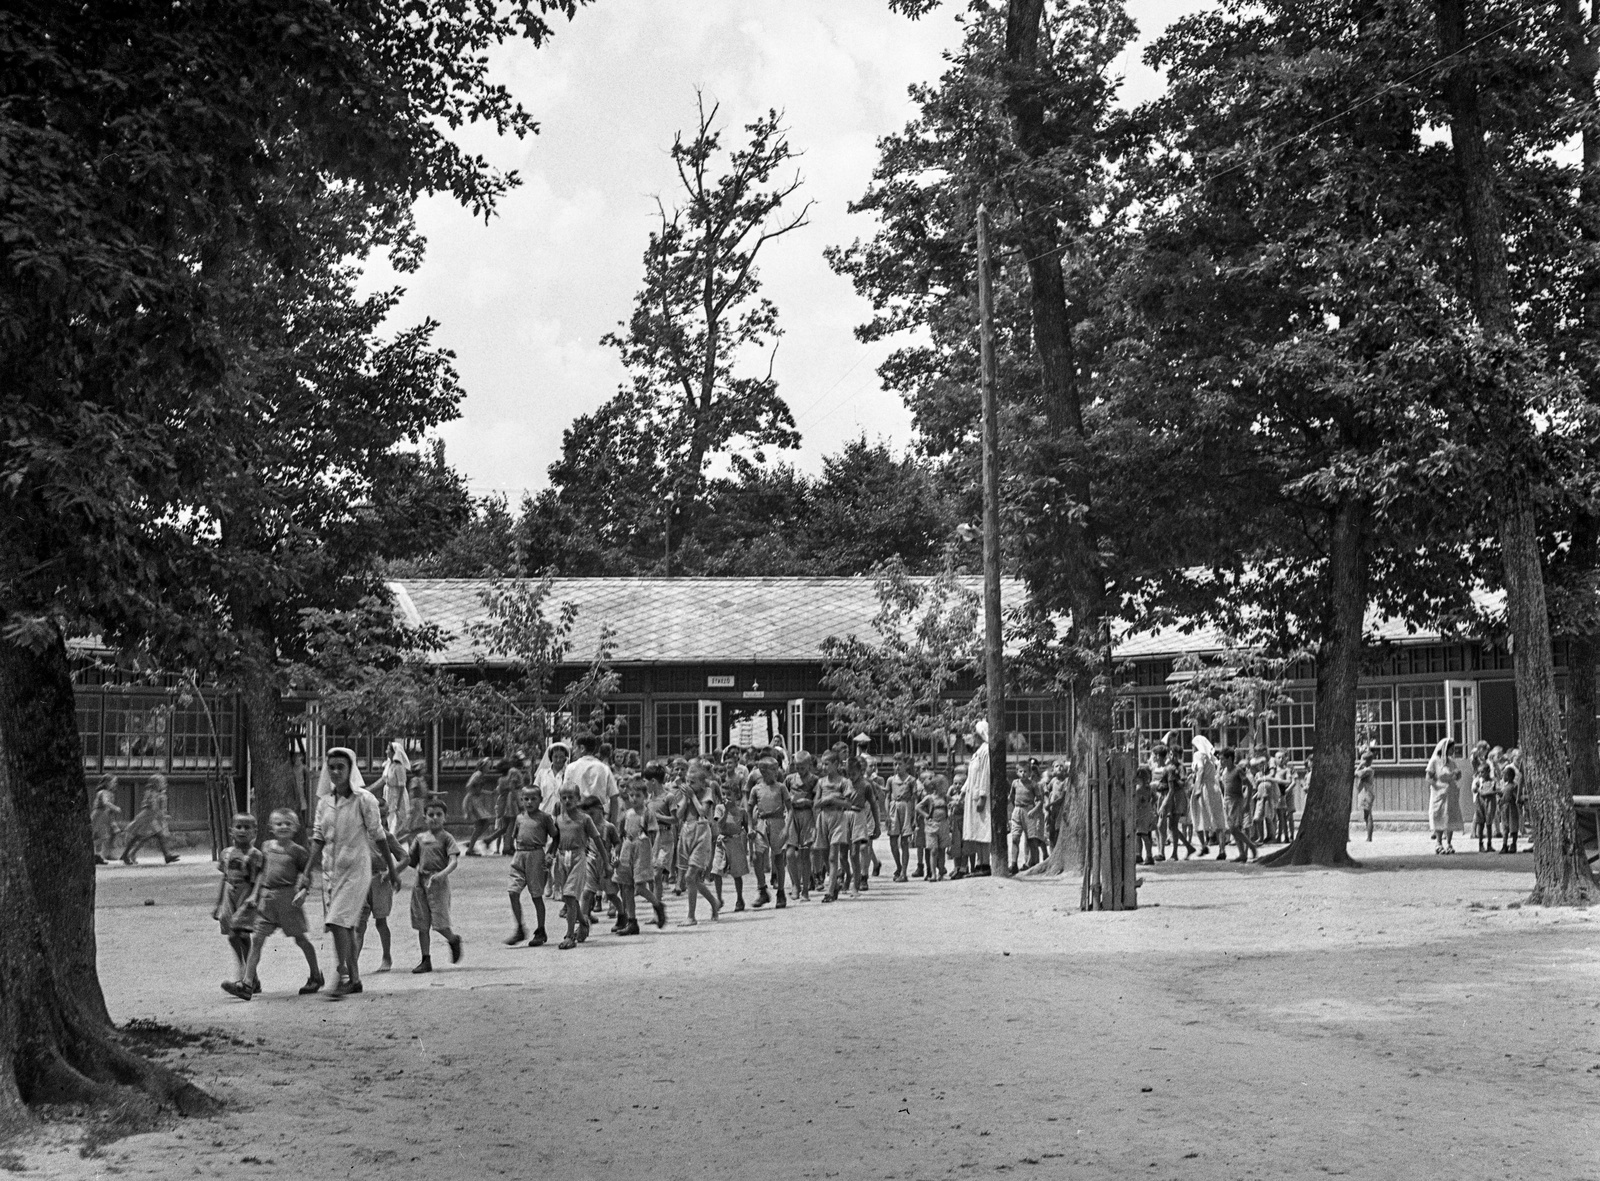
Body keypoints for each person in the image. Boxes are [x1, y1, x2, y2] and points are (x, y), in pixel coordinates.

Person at [302, 747, 400, 996]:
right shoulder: (324, 802)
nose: (336, 772)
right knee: (345, 925)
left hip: (357, 870)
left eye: (341, 767)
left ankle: (341, 976)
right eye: (331, 767)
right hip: (331, 871)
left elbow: (379, 836)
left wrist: (392, 870)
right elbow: (318, 837)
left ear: (350, 770)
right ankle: (354, 979)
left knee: (337, 921)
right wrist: (307, 871)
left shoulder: (364, 800)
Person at [225, 808, 322, 1000]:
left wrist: (303, 892)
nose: (283, 827)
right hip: (267, 900)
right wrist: (255, 895)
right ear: (271, 827)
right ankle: (247, 983)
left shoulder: (298, 851)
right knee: (257, 940)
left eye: (288, 824)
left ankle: (316, 975)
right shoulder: (267, 847)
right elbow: (262, 872)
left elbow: (306, 875)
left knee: (301, 939)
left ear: (296, 827)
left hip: (288, 901)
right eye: (279, 824)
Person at [409, 799, 464, 972]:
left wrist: (442, 874)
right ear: (424, 817)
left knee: (440, 923)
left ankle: (453, 939)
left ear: (445, 817)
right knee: (422, 923)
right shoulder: (419, 838)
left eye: (439, 814)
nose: (434, 818)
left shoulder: (447, 838)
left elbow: (453, 861)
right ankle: (426, 959)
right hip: (421, 883)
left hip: (438, 883)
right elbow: (411, 860)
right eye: (431, 815)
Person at [214, 813, 265, 996]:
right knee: (234, 935)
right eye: (239, 827)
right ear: (231, 831)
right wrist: (218, 904)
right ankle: (252, 976)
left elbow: (259, 878)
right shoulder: (226, 853)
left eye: (247, 827)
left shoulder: (255, 855)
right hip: (229, 895)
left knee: (239, 933)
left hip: (246, 895)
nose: (242, 831)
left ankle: (245, 973)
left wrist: (254, 896)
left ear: (254, 832)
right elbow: (224, 878)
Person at [356, 801, 407, 973]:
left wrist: (393, 872)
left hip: (380, 881)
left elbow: (405, 858)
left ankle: (386, 956)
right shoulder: (358, 834)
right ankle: (353, 964)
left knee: (381, 922)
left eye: (384, 815)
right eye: (376, 815)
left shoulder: (386, 836)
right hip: (360, 881)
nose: (380, 819)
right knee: (359, 925)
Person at [506, 786, 559, 946]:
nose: (529, 802)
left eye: (533, 799)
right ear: (521, 800)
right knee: (513, 892)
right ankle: (520, 928)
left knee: (536, 895)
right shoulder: (519, 818)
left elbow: (556, 836)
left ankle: (541, 930)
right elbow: (516, 836)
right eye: (526, 799)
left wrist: (550, 853)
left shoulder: (544, 818)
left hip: (536, 855)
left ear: (540, 800)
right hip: (519, 855)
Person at [551, 785, 602, 947]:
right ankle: (583, 921)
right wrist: (549, 854)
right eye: (564, 797)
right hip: (562, 858)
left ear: (578, 799)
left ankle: (569, 935)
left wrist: (606, 862)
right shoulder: (558, 820)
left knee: (570, 896)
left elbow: (597, 840)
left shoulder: (584, 819)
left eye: (571, 797)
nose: (567, 801)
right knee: (567, 897)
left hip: (578, 857)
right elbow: (556, 840)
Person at [613, 782, 665, 934]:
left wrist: (654, 853)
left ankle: (657, 905)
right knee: (626, 886)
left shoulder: (647, 814)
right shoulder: (627, 814)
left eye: (638, 796)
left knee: (640, 886)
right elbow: (620, 835)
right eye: (632, 795)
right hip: (627, 848)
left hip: (642, 848)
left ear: (645, 797)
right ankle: (632, 921)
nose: (634, 799)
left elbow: (654, 834)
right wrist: (616, 853)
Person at [675, 762, 723, 925]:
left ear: (702, 783)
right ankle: (714, 902)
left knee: (690, 876)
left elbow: (703, 812)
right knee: (693, 879)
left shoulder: (707, 792)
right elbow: (679, 815)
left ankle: (691, 916)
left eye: (693, 782)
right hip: (687, 831)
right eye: (687, 782)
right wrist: (685, 798)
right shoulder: (685, 795)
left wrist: (693, 797)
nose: (689, 785)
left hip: (701, 833)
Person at [747, 758, 788, 908]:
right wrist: (750, 827)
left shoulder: (781, 787)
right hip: (761, 823)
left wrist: (787, 828)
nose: (777, 772)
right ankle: (762, 889)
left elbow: (790, 808)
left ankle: (781, 892)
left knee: (778, 857)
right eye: (773, 769)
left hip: (777, 822)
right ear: (763, 772)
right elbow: (749, 809)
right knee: (757, 856)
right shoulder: (756, 789)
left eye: (777, 768)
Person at [122, 773, 179, 865]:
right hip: (148, 817)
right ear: (156, 784)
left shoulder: (159, 793)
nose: (165, 784)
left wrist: (161, 814)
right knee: (140, 836)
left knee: (155, 836)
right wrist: (161, 814)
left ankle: (167, 855)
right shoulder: (151, 793)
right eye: (162, 782)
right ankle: (126, 854)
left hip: (153, 818)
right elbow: (152, 806)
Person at [784, 751, 819, 900]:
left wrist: (808, 802)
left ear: (809, 765)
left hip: (807, 816)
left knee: (805, 854)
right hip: (792, 816)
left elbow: (817, 800)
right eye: (797, 767)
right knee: (790, 853)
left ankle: (805, 889)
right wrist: (790, 801)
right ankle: (795, 884)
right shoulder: (790, 779)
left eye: (803, 767)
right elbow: (784, 797)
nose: (800, 770)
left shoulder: (814, 780)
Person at [963, 721, 994, 876]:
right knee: (976, 830)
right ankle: (979, 863)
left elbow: (984, 775)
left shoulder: (986, 751)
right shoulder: (977, 753)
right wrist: (962, 791)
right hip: (972, 796)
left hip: (980, 797)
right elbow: (971, 776)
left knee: (983, 830)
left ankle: (985, 864)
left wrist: (982, 796)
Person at [1219, 748, 1258, 863]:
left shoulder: (1237, 770)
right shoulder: (1224, 772)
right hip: (1227, 801)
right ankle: (1242, 854)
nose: (1221, 762)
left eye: (1223, 759)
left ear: (1230, 759)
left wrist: (1247, 802)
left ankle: (1251, 845)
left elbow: (1249, 785)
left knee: (1234, 828)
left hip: (1236, 801)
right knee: (1233, 829)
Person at [1008, 758, 1046, 874]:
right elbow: (1011, 797)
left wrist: (1034, 810)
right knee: (1015, 838)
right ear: (1017, 772)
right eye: (1020, 771)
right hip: (1017, 810)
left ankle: (1033, 863)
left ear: (1029, 773)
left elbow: (1040, 800)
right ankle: (1013, 864)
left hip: (1029, 811)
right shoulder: (1015, 783)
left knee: (1031, 839)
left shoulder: (1033, 785)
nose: (1023, 774)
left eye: (1025, 771)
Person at [885, 754, 918, 882]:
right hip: (894, 808)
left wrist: (914, 817)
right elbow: (887, 797)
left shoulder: (911, 780)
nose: (897, 767)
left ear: (906, 765)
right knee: (893, 841)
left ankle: (904, 872)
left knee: (905, 842)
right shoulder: (891, 780)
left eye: (900, 764)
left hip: (906, 808)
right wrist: (887, 815)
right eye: (895, 764)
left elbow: (914, 799)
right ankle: (898, 866)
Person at [1426, 737, 1461, 855]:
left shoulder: (1452, 762)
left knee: (1450, 816)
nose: (1453, 751)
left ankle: (1449, 843)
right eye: (1451, 748)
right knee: (1439, 816)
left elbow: (1456, 776)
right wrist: (1437, 786)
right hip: (1439, 793)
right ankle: (1439, 842)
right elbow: (1428, 778)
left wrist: (1457, 775)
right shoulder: (1435, 761)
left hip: (1450, 792)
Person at [1158, 747, 1194, 860]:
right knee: (1171, 825)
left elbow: (1184, 783)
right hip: (1171, 796)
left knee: (1174, 824)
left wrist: (1175, 779)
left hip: (1178, 796)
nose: (1173, 757)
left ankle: (1175, 853)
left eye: (1175, 755)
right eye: (1171, 754)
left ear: (1179, 756)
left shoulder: (1180, 767)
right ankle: (1188, 846)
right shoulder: (1169, 767)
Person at [1190, 737, 1224, 857]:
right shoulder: (1212, 757)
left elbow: (1200, 771)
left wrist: (1197, 788)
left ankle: (1203, 845)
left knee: (1198, 815)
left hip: (1203, 786)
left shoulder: (1198, 755)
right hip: (1214, 787)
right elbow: (1217, 769)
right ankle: (1222, 849)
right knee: (1217, 816)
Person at [461, 759, 498, 855]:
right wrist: (469, 806)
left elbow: (477, 789)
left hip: (475, 800)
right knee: (482, 824)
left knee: (484, 824)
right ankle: (470, 847)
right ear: (483, 766)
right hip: (473, 801)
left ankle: (471, 844)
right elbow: (469, 786)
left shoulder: (480, 775)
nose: (489, 768)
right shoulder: (477, 775)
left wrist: (490, 793)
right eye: (487, 766)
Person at [918, 771, 950, 881]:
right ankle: (933, 874)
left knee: (942, 850)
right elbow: (918, 807)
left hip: (943, 825)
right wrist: (926, 815)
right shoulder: (930, 798)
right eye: (944, 785)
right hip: (932, 826)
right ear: (937, 786)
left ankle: (941, 872)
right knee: (933, 850)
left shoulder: (945, 798)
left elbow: (953, 802)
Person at [378, 740, 411, 836]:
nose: (386, 751)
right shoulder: (388, 765)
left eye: (388, 749)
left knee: (396, 820)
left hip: (397, 795)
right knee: (389, 818)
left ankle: (394, 839)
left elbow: (401, 786)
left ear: (394, 752)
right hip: (388, 794)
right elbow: (383, 780)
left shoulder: (399, 767)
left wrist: (398, 804)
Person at [1470, 740, 1496, 853]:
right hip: (1480, 801)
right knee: (1480, 821)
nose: (1481, 774)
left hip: (1489, 802)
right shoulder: (1478, 778)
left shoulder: (1491, 780)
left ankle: (1489, 843)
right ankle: (1480, 843)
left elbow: (1496, 789)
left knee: (1489, 823)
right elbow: (1473, 758)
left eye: (1483, 772)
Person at [90, 775, 123, 864]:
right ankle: (89, 849)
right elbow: (105, 802)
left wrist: (112, 822)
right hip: (98, 815)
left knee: (102, 836)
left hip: (104, 816)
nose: (115, 784)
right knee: (100, 836)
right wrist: (115, 808)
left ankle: (97, 856)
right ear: (107, 783)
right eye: (113, 782)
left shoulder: (110, 793)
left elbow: (108, 810)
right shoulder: (103, 792)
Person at [535, 740, 572, 816]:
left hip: (562, 815)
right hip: (543, 813)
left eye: (561, 757)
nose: (558, 760)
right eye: (555, 757)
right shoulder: (542, 773)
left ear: (565, 758)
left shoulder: (568, 774)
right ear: (551, 757)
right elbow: (535, 792)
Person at [1133, 765, 1158, 866]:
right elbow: (1155, 798)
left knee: (1143, 835)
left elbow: (1137, 802)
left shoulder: (1138, 790)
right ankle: (1139, 854)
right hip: (1146, 812)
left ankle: (1148, 855)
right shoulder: (1149, 788)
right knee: (1139, 835)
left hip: (1140, 814)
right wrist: (1150, 804)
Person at [1498, 749, 1521, 854]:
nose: (1503, 777)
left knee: (1513, 827)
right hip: (1505, 809)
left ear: (1509, 776)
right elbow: (1502, 795)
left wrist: (1516, 799)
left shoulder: (1514, 786)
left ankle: (1513, 844)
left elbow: (1516, 796)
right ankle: (1504, 845)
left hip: (1512, 809)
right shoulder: (1504, 787)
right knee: (1505, 827)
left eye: (1504, 775)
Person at [1354, 751, 1376, 842]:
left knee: (1368, 814)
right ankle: (1368, 836)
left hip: (1366, 794)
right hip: (1365, 793)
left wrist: (1359, 765)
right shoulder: (1367, 769)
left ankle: (1369, 837)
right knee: (1366, 815)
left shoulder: (1368, 770)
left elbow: (1356, 773)